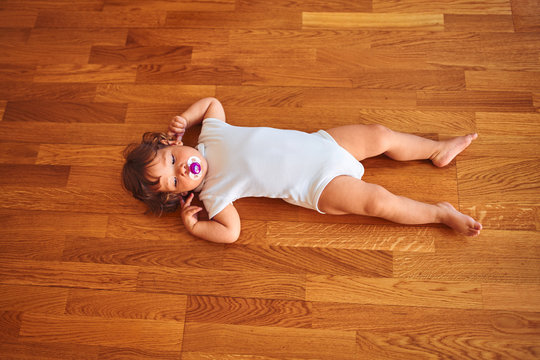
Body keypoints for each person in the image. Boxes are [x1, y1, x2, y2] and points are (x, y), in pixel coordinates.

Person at [122, 97, 482, 243]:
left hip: (324, 145)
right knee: (377, 201)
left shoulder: (212, 132)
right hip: (318, 184)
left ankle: (436, 150)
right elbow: (231, 233)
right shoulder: (214, 193)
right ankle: (440, 213)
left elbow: (213, 102)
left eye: (171, 161)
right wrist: (196, 226)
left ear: (173, 143)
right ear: (176, 195)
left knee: (379, 135)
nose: (181, 171)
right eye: (173, 182)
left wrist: (187, 116)